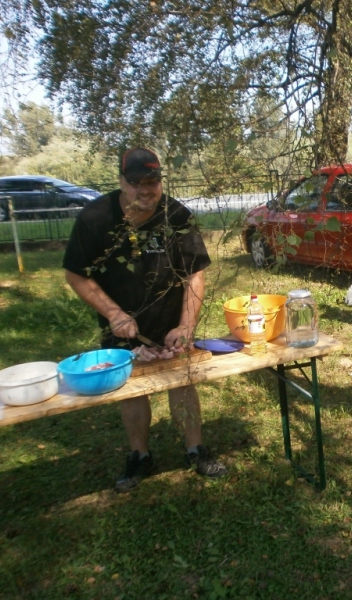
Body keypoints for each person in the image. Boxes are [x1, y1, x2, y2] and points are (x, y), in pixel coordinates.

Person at [63, 147, 228, 492]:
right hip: (121, 325)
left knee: (183, 382)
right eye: (136, 182)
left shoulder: (176, 215)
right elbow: (76, 274)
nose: (145, 190)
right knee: (132, 390)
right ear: (121, 183)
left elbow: (195, 274)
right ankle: (139, 455)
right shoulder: (95, 218)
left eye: (152, 181)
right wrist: (113, 314)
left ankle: (195, 449)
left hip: (170, 322)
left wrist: (185, 325)